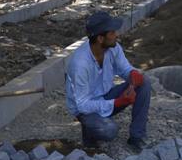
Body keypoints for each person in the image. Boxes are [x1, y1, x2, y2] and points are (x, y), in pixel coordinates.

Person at [65, 11, 151, 151]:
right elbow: (82, 105)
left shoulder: (113, 48)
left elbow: (124, 68)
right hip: (85, 108)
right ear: (100, 38)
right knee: (110, 130)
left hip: (106, 95)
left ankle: (136, 137)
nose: (116, 35)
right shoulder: (80, 64)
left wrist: (132, 74)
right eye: (112, 33)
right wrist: (118, 102)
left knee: (144, 82)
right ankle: (89, 133)